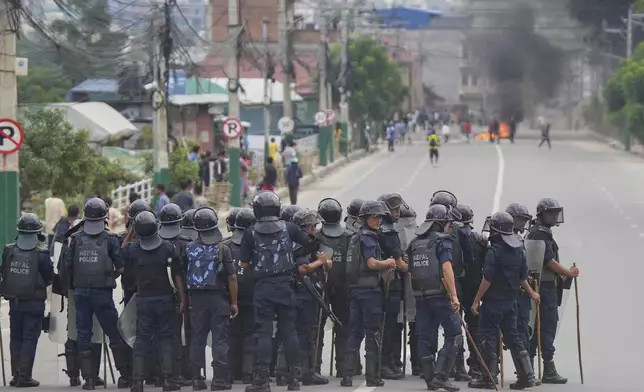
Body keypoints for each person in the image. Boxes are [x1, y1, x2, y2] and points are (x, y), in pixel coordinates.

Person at [239, 192, 314, 392]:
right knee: (289, 332)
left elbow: (244, 263)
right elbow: (310, 243)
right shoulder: (289, 228)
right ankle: (294, 379)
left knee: (263, 334)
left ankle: (262, 380)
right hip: (286, 286)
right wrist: (291, 255)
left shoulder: (250, 232)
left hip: (263, 288)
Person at [64, 198, 132, 390]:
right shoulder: (110, 239)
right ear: (104, 216)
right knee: (113, 332)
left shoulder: (75, 239)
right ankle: (125, 375)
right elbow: (120, 266)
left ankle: (89, 380)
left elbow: (68, 267)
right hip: (102, 293)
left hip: (81, 294)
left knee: (84, 333)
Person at [468, 212, 539, 390]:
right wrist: (531, 293)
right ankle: (527, 376)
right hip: (511, 303)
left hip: (493, 303)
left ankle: (488, 378)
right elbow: (523, 277)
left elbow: (487, 279)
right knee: (514, 338)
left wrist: (476, 300)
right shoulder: (518, 250)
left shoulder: (494, 251)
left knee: (488, 338)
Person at [124, 210, 187, 392]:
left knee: (142, 339)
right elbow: (177, 276)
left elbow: (123, 249)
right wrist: (182, 298)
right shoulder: (167, 248)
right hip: (165, 299)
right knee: (166, 338)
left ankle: (137, 382)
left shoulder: (134, 249)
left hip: (143, 300)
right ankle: (167, 380)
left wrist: (131, 231)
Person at [341, 200, 401, 388]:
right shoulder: (368, 238)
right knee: (372, 333)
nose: (378, 220)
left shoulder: (355, 237)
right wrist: (389, 263)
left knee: (355, 332)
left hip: (356, 290)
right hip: (369, 291)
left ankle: (347, 376)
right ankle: (372, 376)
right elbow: (372, 263)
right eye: (374, 217)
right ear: (365, 218)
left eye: (380, 217)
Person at [406, 204, 460, 392]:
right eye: (448, 222)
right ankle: (441, 376)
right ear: (441, 223)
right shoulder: (442, 241)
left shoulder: (414, 244)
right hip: (439, 295)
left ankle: (430, 380)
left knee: (423, 336)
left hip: (420, 296)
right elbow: (446, 268)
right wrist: (454, 295)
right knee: (454, 333)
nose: (449, 226)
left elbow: (410, 273)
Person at [185, 207, 238, 390]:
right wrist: (234, 302)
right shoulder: (223, 249)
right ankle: (219, 380)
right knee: (220, 339)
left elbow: (181, 274)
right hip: (218, 299)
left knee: (197, 338)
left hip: (197, 300)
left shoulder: (189, 249)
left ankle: (196, 379)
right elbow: (231, 277)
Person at [526, 198, 578, 384]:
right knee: (546, 327)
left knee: (535, 326)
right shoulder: (540, 234)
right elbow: (549, 261)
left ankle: (528, 369)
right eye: (551, 213)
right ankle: (547, 369)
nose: (555, 216)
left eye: (556, 213)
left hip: (540, 286)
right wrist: (568, 272)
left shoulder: (537, 232)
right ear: (541, 215)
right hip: (544, 288)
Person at [1, 213, 54, 387]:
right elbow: (49, 277)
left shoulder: (9, 249)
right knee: (29, 339)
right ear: (38, 232)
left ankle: (16, 375)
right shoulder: (42, 252)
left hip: (14, 302)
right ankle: (24, 376)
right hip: (34, 303)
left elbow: (4, 272)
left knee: (16, 338)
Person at [319, 198, 363, 378]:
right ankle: (345, 368)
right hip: (344, 289)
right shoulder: (350, 235)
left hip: (320, 288)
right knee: (344, 327)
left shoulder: (315, 235)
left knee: (317, 327)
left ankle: (313, 367)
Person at [292, 209, 331, 386]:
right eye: (312, 226)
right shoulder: (299, 244)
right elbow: (302, 269)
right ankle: (305, 372)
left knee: (307, 334)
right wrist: (319, 263)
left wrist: (324, 263)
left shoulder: (308, 243)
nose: (315, 229)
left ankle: (306, 370)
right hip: (303, 295)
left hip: (309, 294)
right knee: (305, 334)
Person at [158, 203, 194, 386]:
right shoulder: (187, 244)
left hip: (159, 296)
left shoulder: (154, 242)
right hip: (183, 296)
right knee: (184, 334)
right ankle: (184, 372)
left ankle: (163, 373)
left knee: (166, 336)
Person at [376, 193, 406, 380]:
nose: (398, 212)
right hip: (390, 284)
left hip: (381, 283)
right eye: (395, 209)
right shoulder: (389, 232)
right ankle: (386, 364)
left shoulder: (379, 229)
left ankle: (389, 362)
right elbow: (399, 264)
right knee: (389, 326)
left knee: (388, 325)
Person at [224, 209, 256, 385]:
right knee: (250, 334)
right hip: (252, 297)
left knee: (232, 335)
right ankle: (248, 373)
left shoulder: (225, 245)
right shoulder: (258, 245)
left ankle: (230, 373)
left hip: (230, 299)